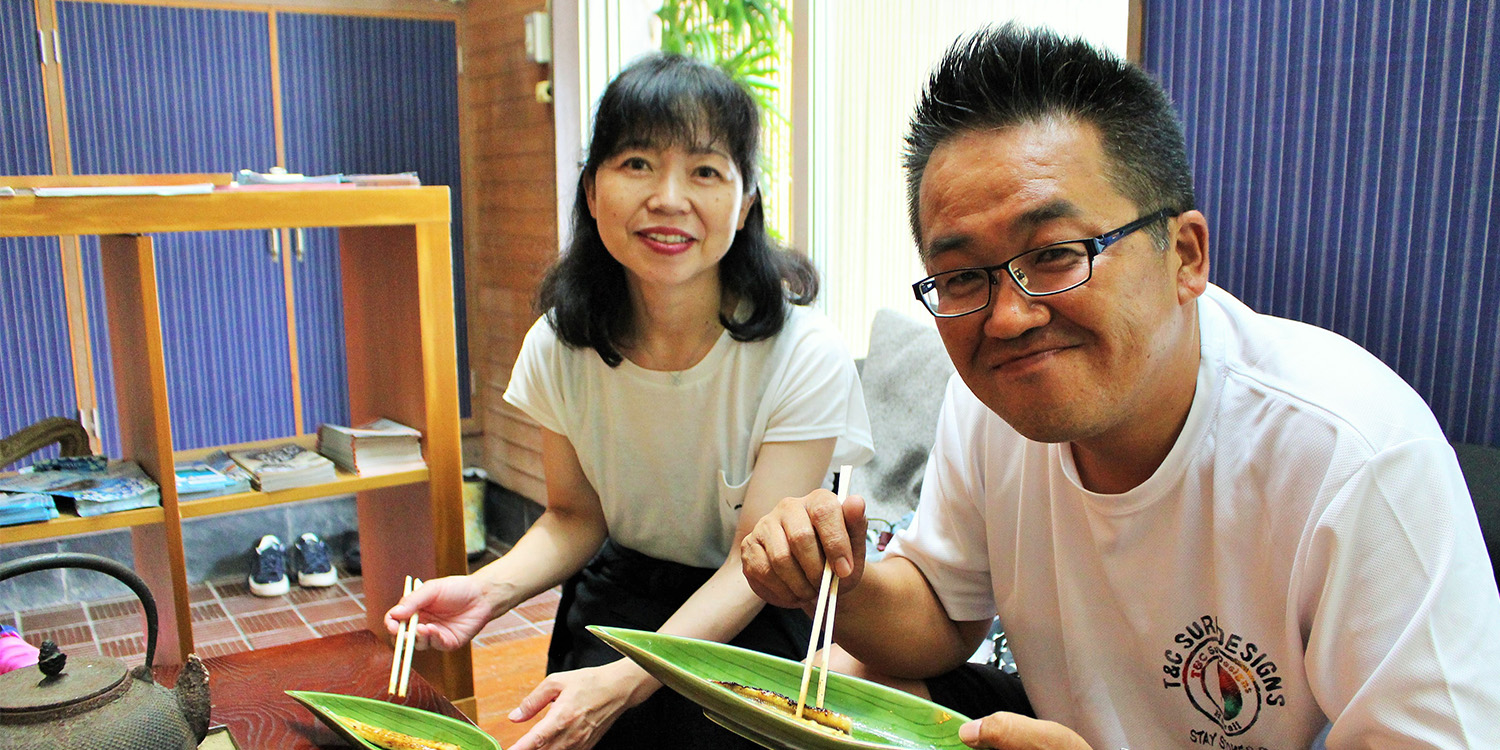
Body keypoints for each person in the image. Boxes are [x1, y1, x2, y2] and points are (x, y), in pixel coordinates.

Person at [741, 24, 1500, 750]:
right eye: (963, 274)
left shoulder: (1353, 457)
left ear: (1186, 257)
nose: (1007, 318)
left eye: (1056, 253)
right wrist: (830, 579)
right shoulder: (989, 404)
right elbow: (943, 609)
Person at [385, 53, 873, 750]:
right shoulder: (562, 344)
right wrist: (487, 591)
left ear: (746, 202)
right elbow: (575, 517)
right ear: (591, 191)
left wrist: (626, 680)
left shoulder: (803, 354)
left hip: (754, 612)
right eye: (637, 163)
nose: (668, 197)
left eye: (705, 171)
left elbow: (751, 563)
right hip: (620, 596)